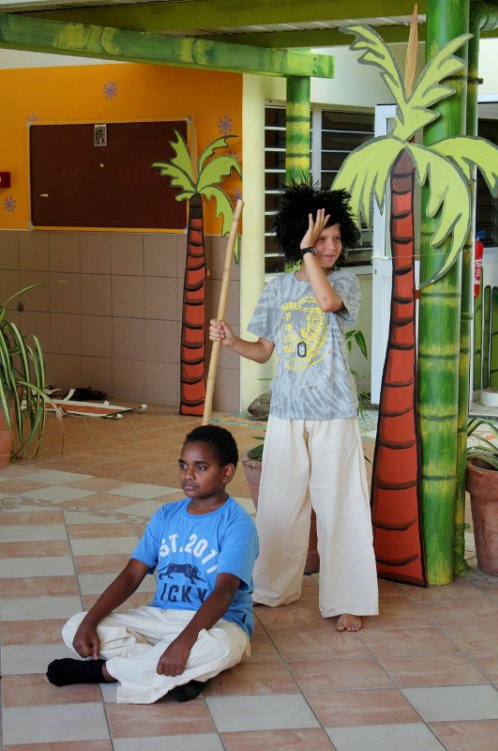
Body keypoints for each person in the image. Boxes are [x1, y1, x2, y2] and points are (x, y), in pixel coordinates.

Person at [209, 182, 378, 632]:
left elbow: (326, 302)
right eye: (322, 238)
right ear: (297, 237)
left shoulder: (343, 282)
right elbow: (263, 351)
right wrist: (231, 341)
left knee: (340, 504)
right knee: (280, 504)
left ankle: (348, 599)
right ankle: (271, 588)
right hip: (286, 411)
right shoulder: (278, 288)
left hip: (333, 411)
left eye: (336, 238)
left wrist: (308, 252)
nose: (331, 246)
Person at [46, 425, 259, 704]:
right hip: (161, 616)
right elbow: (131, 574)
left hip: (217, 623)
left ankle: (105, 672)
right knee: (74, 627)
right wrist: (90, 621)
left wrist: (185, 641)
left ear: (227, 473)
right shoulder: (166, 515)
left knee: (222, 648)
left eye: (200, 467)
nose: (188, 475)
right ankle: (182, 674)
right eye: (183, 465)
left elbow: (225, 591)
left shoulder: (237, 524)